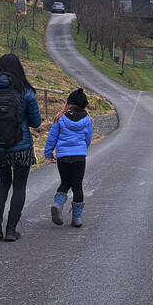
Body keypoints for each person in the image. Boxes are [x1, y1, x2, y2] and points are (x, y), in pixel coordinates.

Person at [0, 53, 42, 242]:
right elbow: (36, 122)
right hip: (21, 147)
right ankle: (11, 230)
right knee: (19, 186)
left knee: (2, 183)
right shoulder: (26, 92)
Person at [44, 88, 93, 227]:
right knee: (77, 186)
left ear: (69, 103)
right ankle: (77, 218)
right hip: (79, 156)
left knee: (65, 182)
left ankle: (58, 205)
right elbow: (88, 139)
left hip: (63, 156)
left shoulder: (61, 117)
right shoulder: (87, 120)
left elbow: (52, 138)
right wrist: (82, 149)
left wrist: (49, 153)